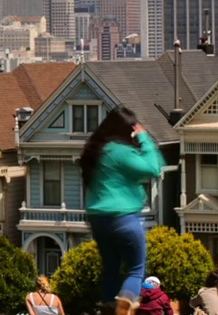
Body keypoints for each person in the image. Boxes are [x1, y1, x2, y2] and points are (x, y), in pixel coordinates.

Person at [81, 106, 165, 315]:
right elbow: (154, 168)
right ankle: (126, 302)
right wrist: (144, 138)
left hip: (97, 218)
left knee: (111, 265)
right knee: (136, 269)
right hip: (123, 217)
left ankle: (108, 303)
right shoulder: (120, 151)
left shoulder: (96, 150)